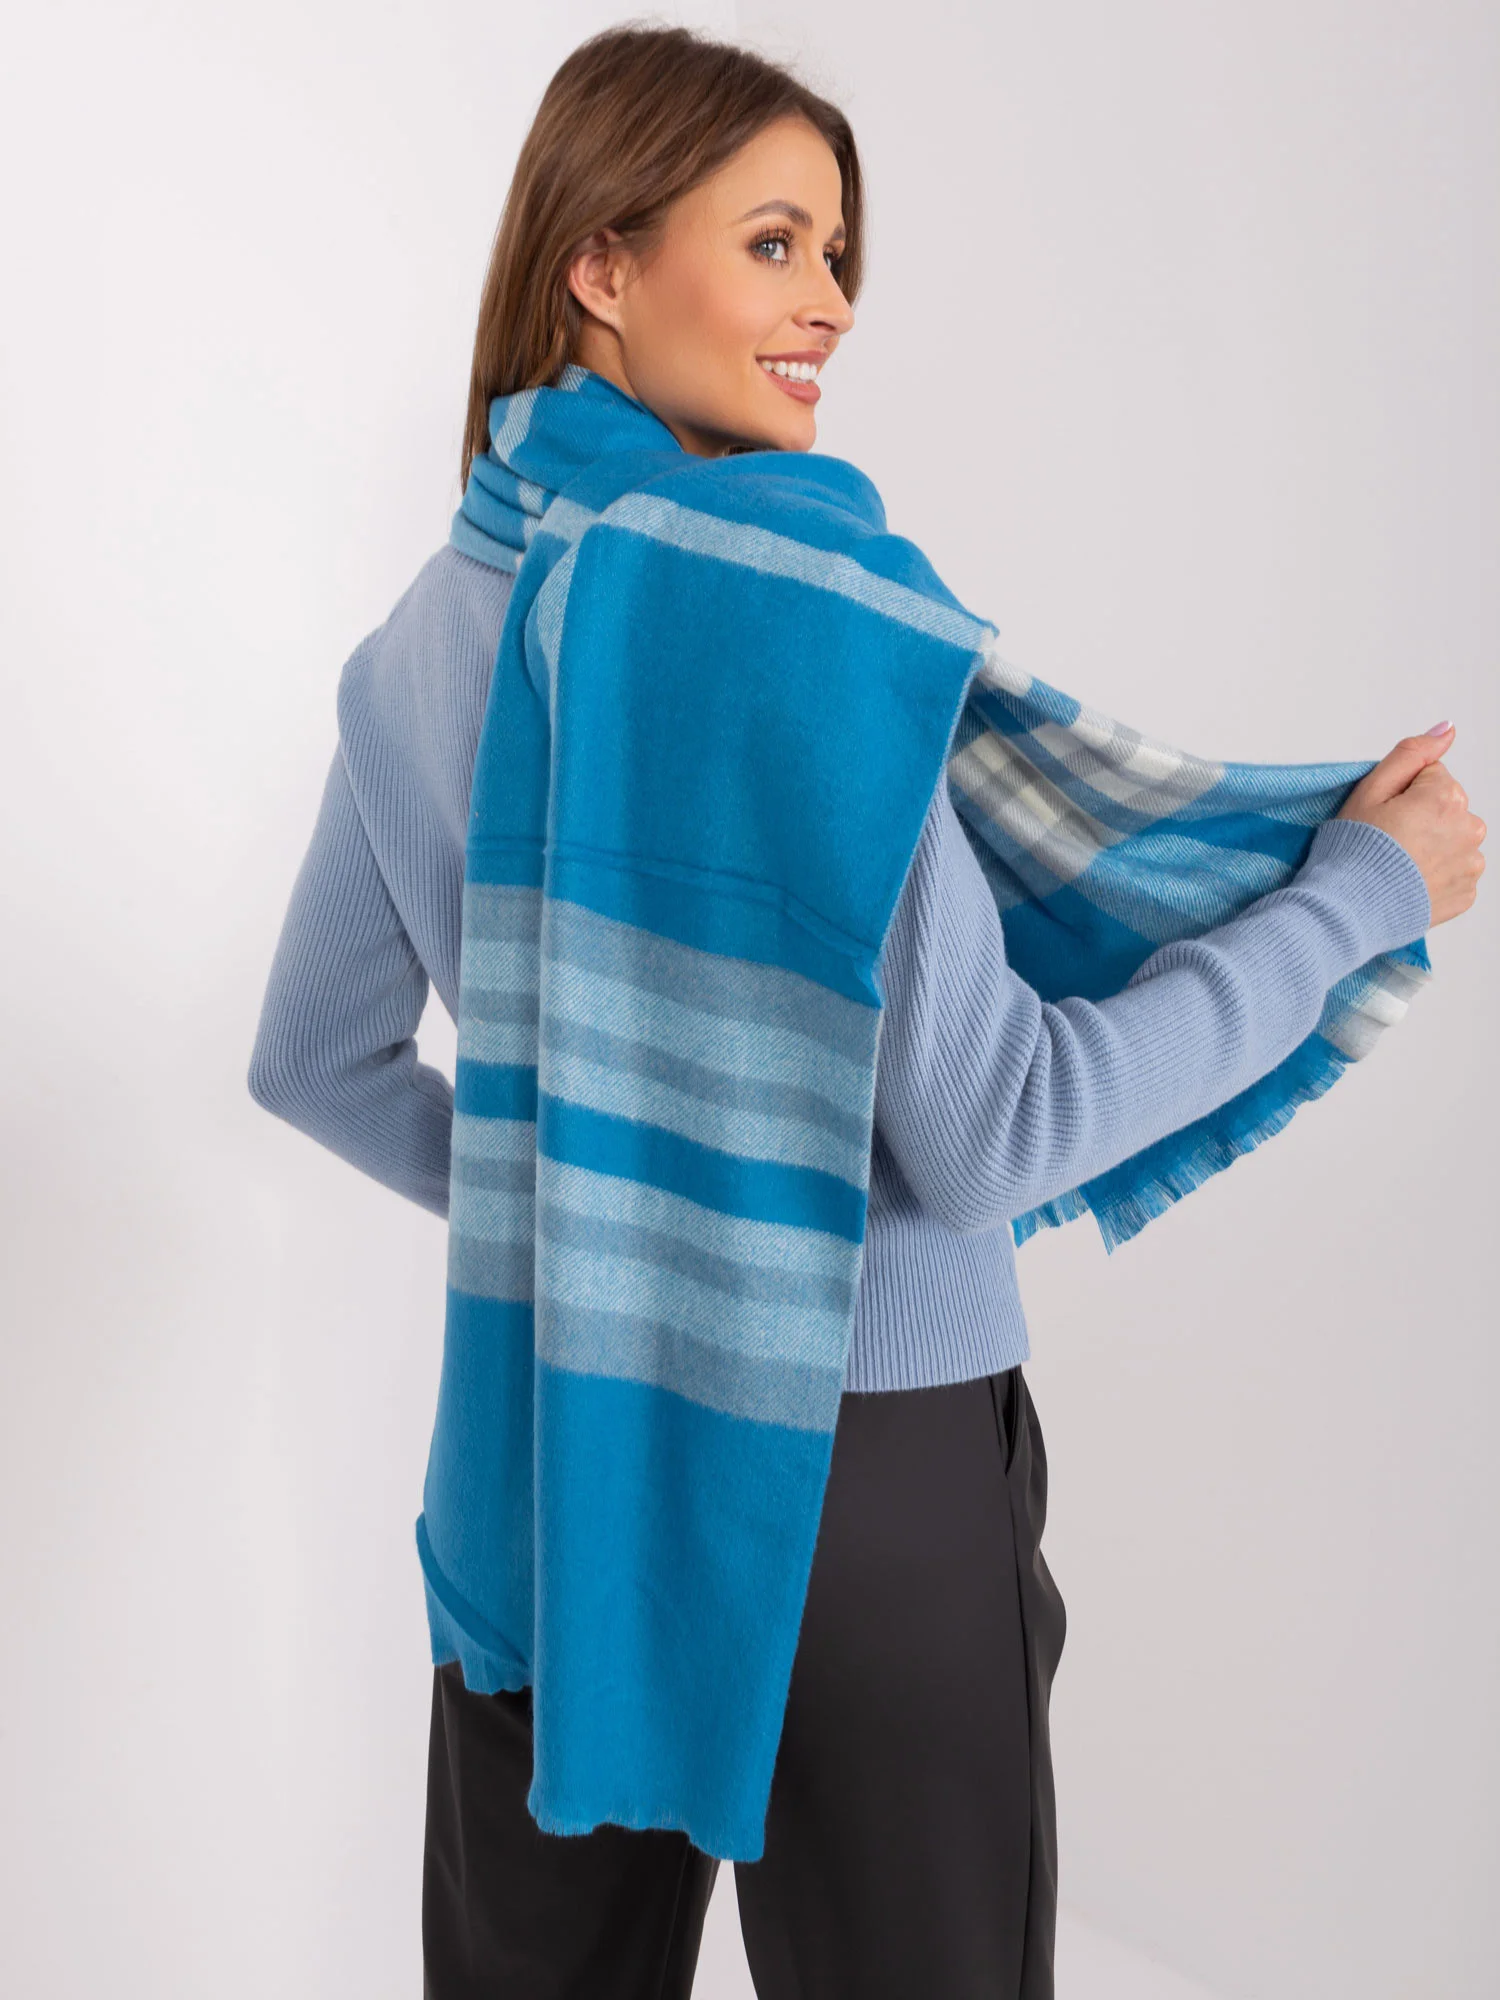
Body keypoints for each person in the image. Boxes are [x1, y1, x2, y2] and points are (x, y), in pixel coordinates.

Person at [245, 24, 1485, 2000]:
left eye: (837, 254)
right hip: (859, 1479)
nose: (829, 302)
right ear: (601, 263)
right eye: (775, 243)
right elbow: (998, 1131)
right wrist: (1357, 900)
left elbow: (310, 1061)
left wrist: (601, 1223)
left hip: (548, 1468)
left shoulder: (416, 641)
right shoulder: (797, 610)